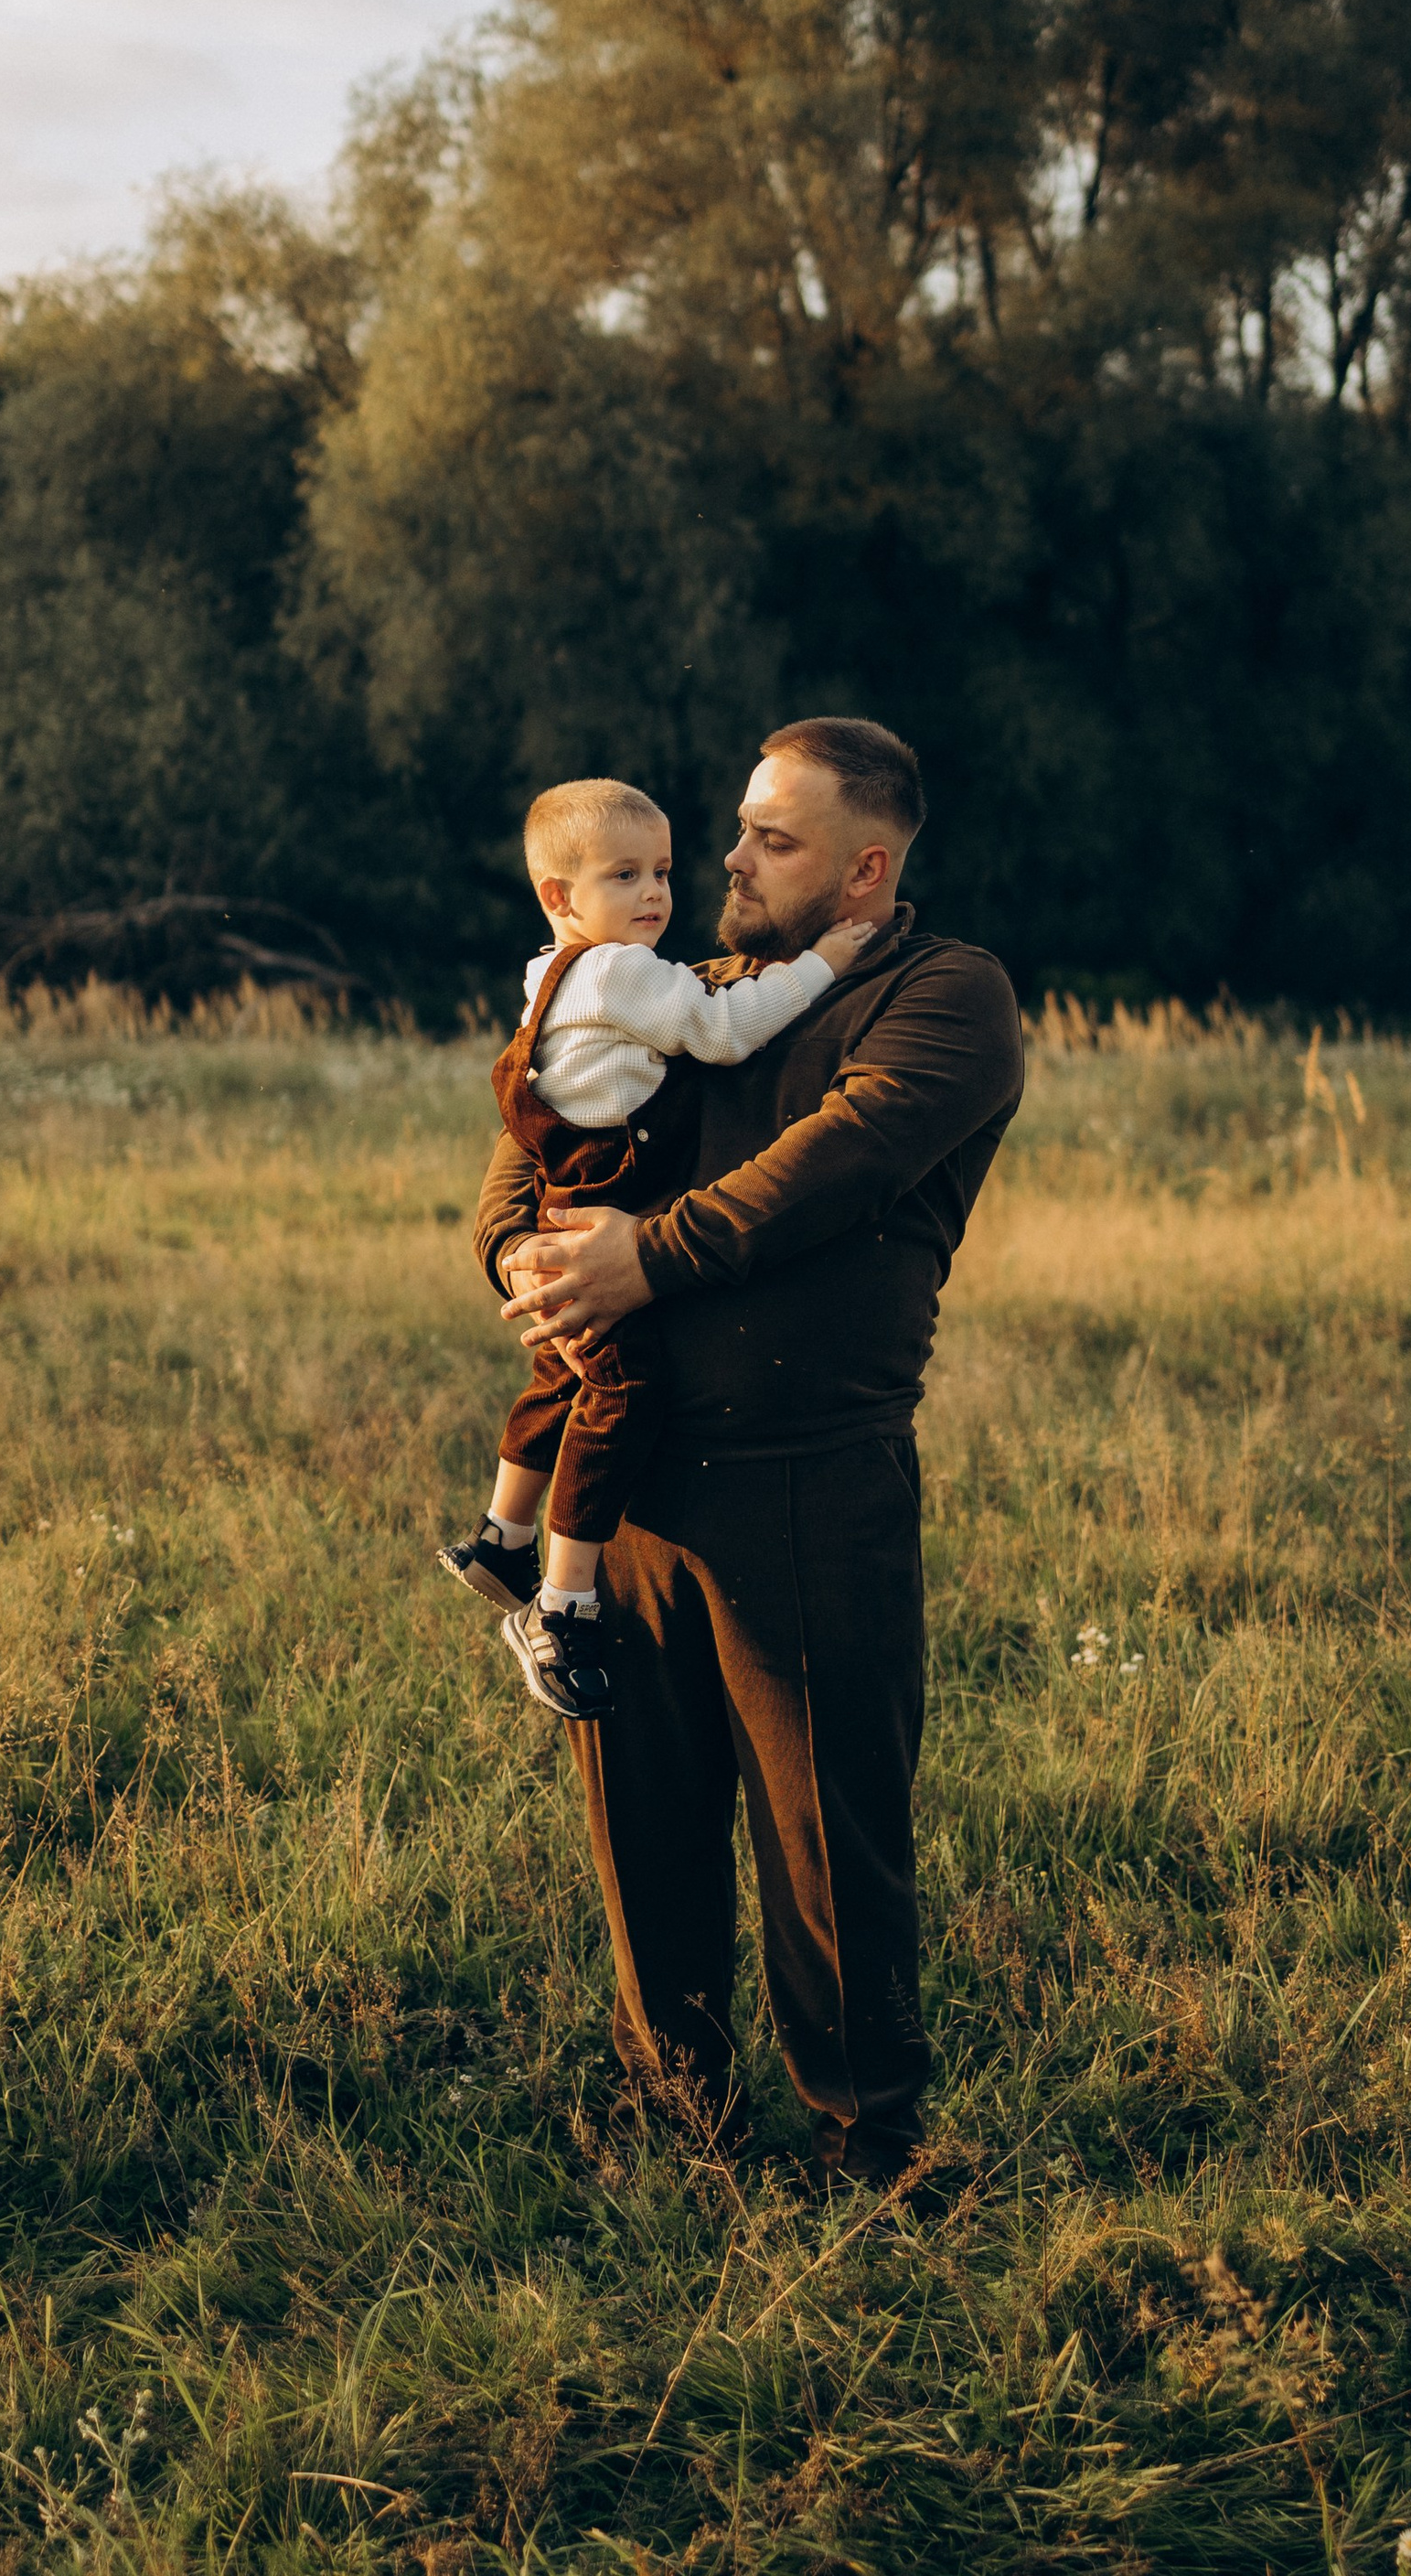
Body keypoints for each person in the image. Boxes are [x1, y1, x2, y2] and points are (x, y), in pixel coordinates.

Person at [474, 716, 1024, 2189]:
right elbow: (523, 1152)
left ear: (862, 867)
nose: (728, 857)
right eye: (737, 826)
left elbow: (832, 1167)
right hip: (629, 1481)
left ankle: (872, 2142)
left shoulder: (945, 994)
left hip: (809, 1477)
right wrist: (526, 1256)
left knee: (826, 1835)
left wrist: (644, 1261)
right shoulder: (674, 988)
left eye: (771, 837)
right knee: (641, 1827)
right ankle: (675, 2122)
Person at [440, 775, 876, 1719]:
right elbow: (725, 1031)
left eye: (663, 872)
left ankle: (500, 1533)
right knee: (618, 1388)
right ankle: (561, 1601)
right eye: (626, 873)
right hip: (609, 1191)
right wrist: (826, 965)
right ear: (560, 896)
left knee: (559, 1371)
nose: (656, 894)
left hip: (566, 1190)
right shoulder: (625, 972)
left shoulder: (550, 971)